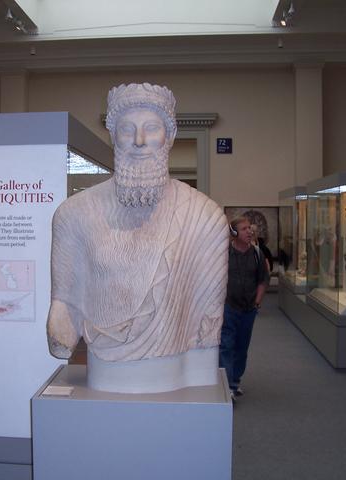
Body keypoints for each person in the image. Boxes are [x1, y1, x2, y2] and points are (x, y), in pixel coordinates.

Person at [46, 83, 229, 393]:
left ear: (170, 136)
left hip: (178, 372)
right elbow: (63, 314)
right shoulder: (74, 214)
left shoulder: (205, 217)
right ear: (112, 136)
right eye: (127, 129)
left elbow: (208, 324)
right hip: (104, 373)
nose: (140, 141)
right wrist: (61, 322)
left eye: (151, 128)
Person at [219, 215, 269, 399]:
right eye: (244, 229)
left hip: (249, 309)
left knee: (241, 347)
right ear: (234, 233)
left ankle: (235, 381)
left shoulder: (257, 254)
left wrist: (257, 302)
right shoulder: (224, 254)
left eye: (250, 228)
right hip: (228, 307)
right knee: (226, 345)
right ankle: (227, 386)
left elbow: (263, 280)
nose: (249, 232)